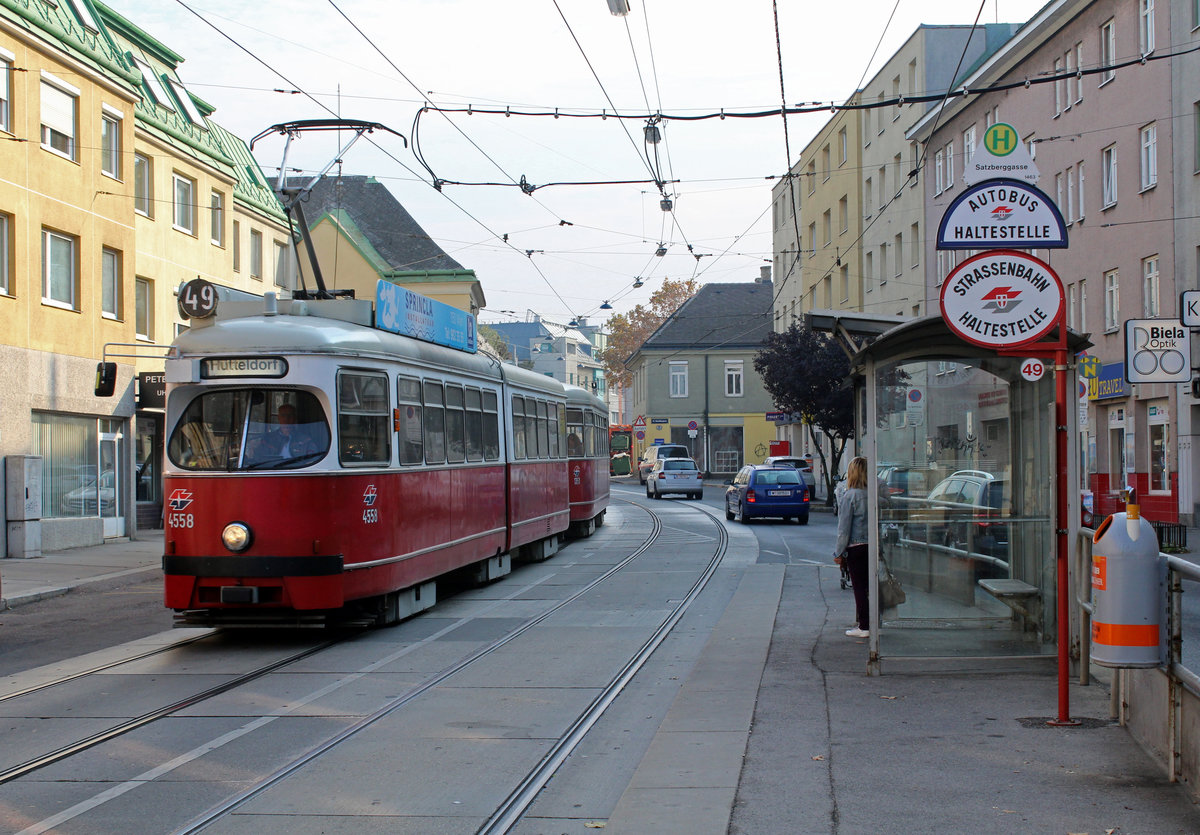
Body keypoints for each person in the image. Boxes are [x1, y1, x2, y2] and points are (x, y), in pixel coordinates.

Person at [834, 456, 870, 638]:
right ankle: (873, 623)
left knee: (859, 587)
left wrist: (838, 552)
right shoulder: (872, 495)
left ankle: (864, 626)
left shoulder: (850, 496)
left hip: (856, 547)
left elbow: (844, 529)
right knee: (871, 586)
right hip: (872, 545)